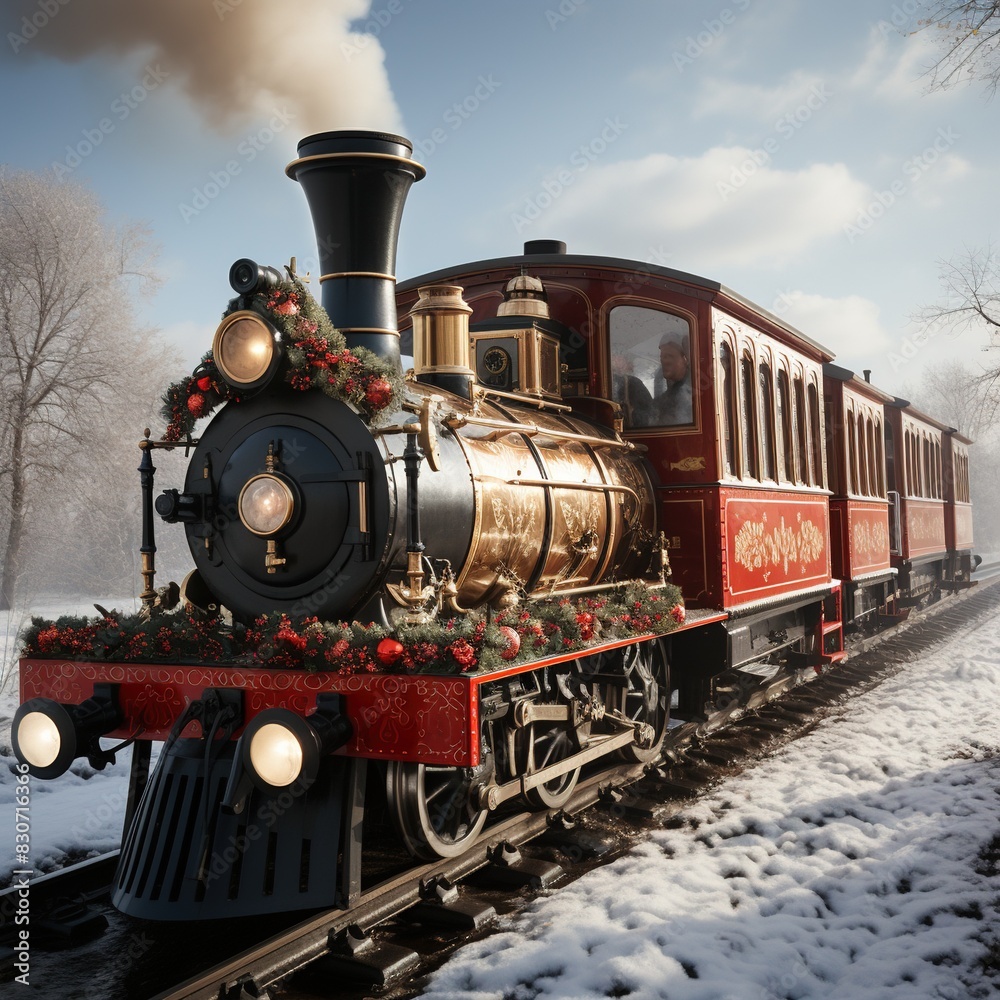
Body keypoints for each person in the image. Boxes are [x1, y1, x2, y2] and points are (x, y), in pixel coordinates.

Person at [649, 330, 692, 425]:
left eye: (670, 356)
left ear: (685, 359)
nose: (665, 361)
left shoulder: (694, 392)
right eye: (662, 357)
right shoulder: (660, 401)